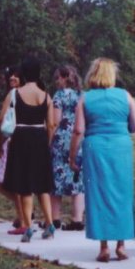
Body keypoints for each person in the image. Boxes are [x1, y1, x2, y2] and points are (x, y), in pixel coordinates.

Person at [69, 58, 135, 262]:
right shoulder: (125, 96)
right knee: (122, 193)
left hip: (95, 147)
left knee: (98, 193)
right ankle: (121, 245)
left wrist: (72, 156)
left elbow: (78, 130)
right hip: (120, 146)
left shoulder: (85, 99)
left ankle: (103, 247)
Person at [2, 55, 56, 242]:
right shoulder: (46, 95)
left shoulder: (15, 94)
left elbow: (6, 118)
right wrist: (47, 142)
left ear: (23, 73)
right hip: (40, 138)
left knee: (25, 186)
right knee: (42, 186)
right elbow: (51, 124)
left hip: (21, 138)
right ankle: (49, 224)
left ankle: (28, 226)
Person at [49, 65, 85, 231]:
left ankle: (55, 218)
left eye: (58, 78)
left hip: (62, 139)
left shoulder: (59, 96)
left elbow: (55, 121)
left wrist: (48, 140)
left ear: (63, 78)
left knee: (56, 178)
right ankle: (77, 219)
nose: (56, 82)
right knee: (77, 178)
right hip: (78, 138)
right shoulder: (81, 95)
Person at [0, 66, 23, 233]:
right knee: (18, 182)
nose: (12, 79)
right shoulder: (36, 93)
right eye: (11, 77)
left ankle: (23, 214)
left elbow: (1, 119)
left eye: (16, 77)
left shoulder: (12, 94)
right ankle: (23, 213)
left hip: (11, 141)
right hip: (28, 140)